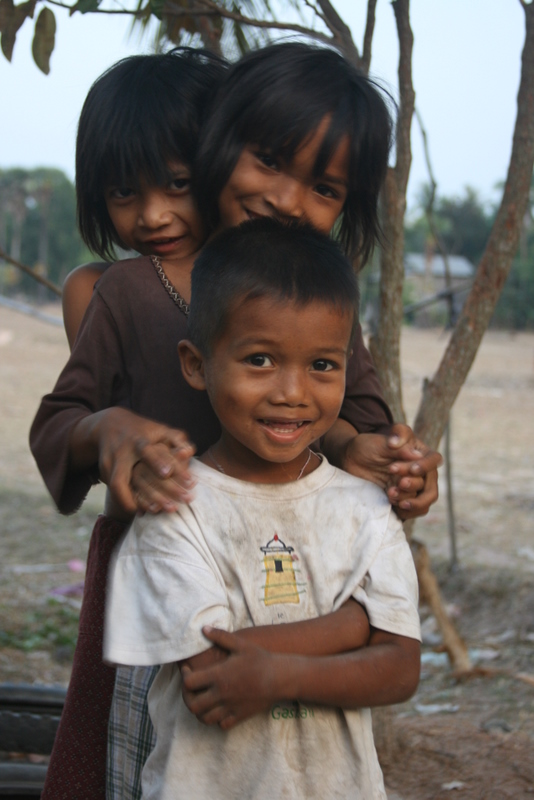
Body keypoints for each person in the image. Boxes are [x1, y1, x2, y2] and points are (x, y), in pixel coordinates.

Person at [30, 42, 438, 799]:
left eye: (321, 187)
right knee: (139, 760)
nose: (285, 200)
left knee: (285, 757)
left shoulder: (310, 290)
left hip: (295, 577)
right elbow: (64, 422)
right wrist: (110, 428)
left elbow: (361, 418)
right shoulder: (124, 291)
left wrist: (386, 459)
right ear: (223, 143)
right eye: (270, 163)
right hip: (165, 571)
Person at [104, 218, 421, 800]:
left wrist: (280, 674)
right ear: (197, 364)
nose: (292, 392)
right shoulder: (176, 509)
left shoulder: (364, 507)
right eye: (260, 360)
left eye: (322, 365)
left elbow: (401, 668)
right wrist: (355, 626)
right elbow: (213, 675)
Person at [29, 47, 228, 800]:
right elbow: (71, 416)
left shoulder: (265, 274)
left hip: (252, 557)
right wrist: (110, 428)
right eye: (123, 193)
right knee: (118, 757)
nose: (151, 215)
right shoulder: (103, 289)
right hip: (140, 561)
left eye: (178, 184)